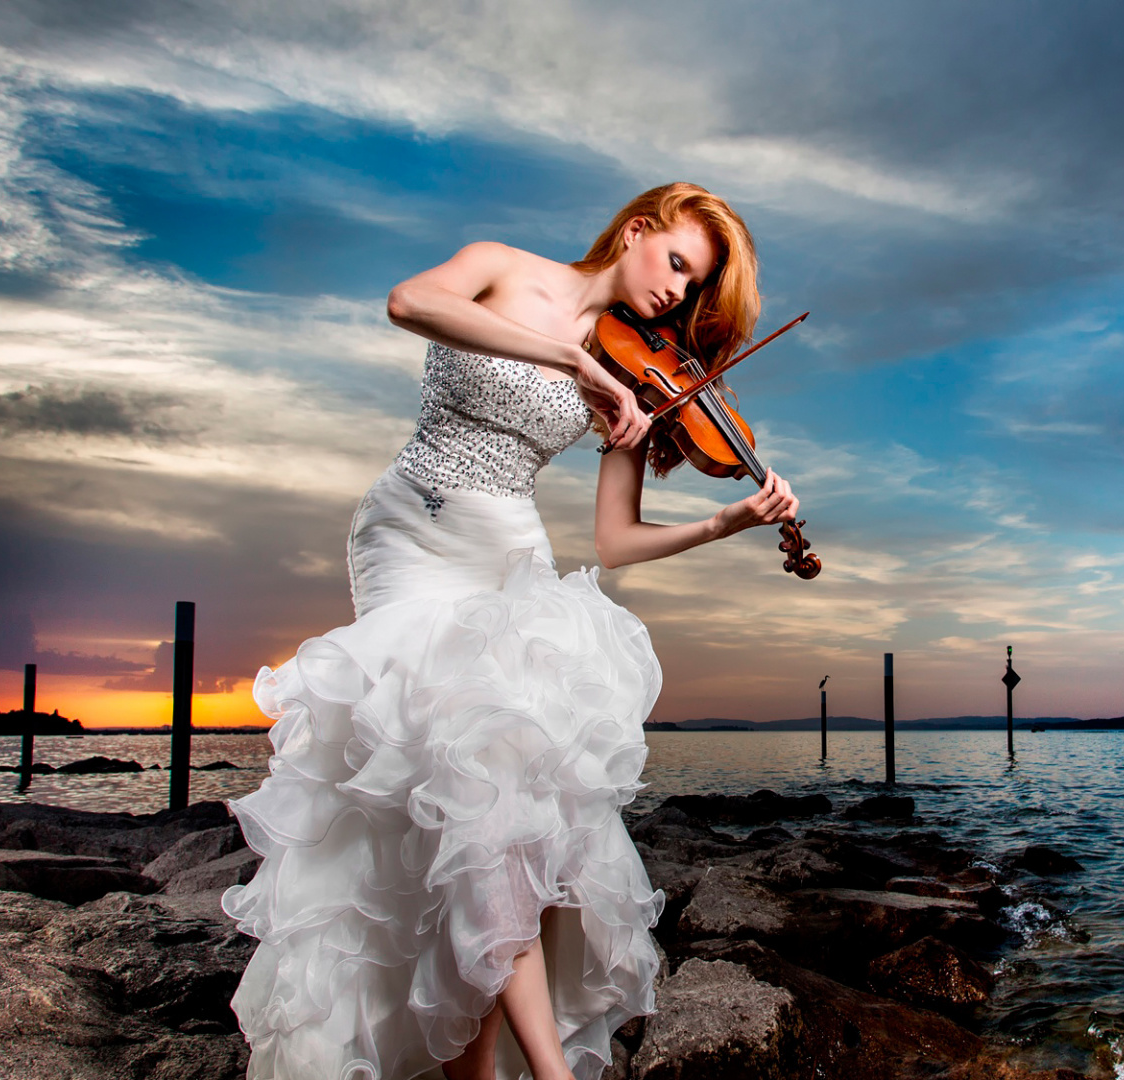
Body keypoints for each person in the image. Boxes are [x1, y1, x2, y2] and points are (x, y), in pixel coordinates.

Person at [222, 182, 800, 1080]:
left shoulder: (636, 371)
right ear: (638, 229)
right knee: (439, 803)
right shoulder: (503, 270)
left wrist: (727, 524)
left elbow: (615, 543)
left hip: (507, 564)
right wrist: (573, 363)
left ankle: (522, 1072)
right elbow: (408, 303)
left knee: (490, 818)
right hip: (407, 541)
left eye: (693, 290)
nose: (677, 296)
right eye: (678, 265)